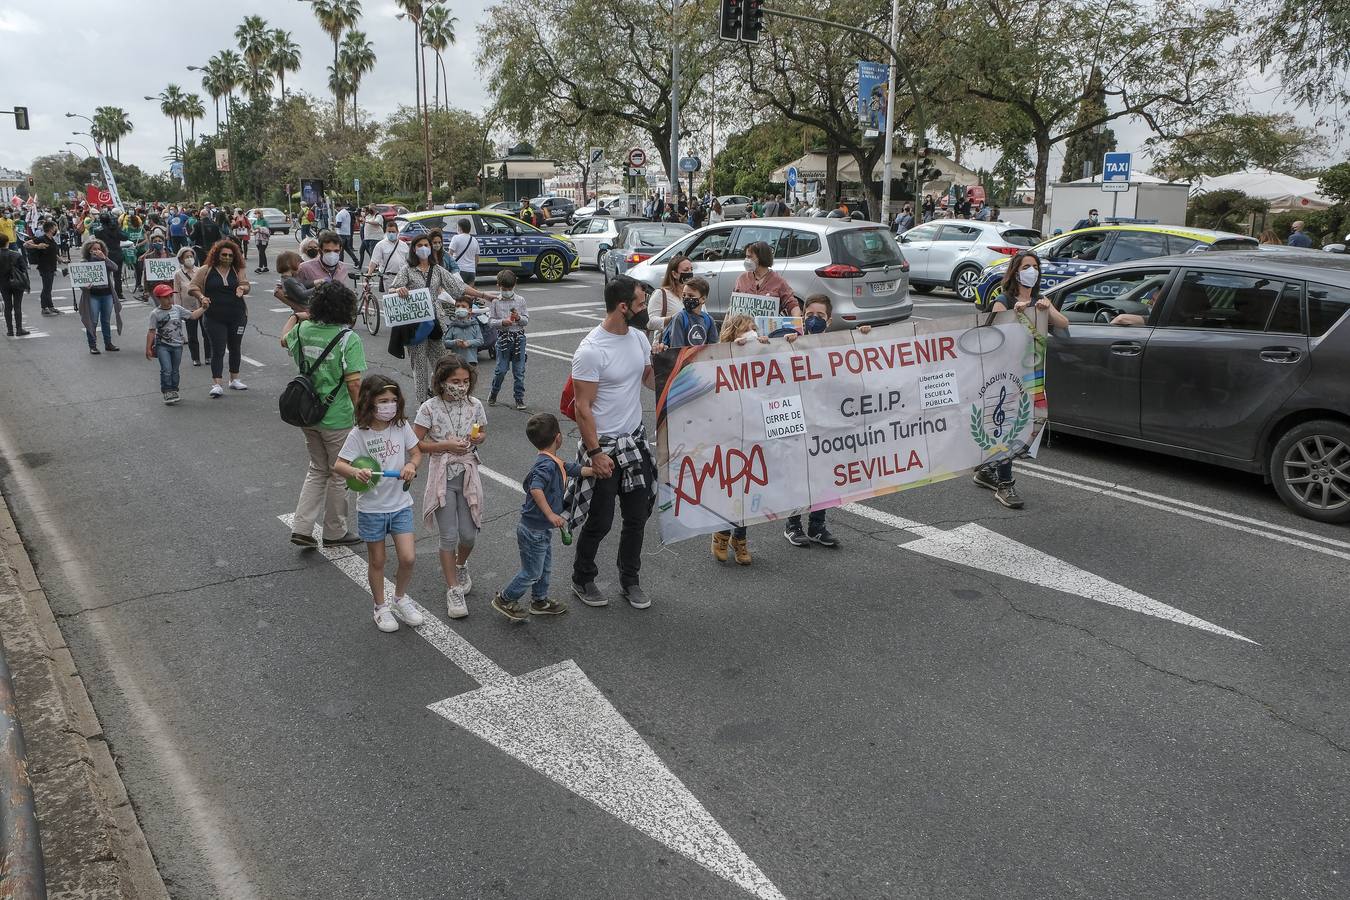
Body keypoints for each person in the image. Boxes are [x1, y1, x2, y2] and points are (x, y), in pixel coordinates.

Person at [565, 276, 657, 610]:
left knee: (637, 517)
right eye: (640, 303)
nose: (644, 308)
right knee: (601, 520)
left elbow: (648, 379)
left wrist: (672, 365)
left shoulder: (638, 337)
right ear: (623, 307)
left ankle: (629, 580)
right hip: (602, 447)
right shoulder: (591, 350)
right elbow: (582, 407)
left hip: (634, 443)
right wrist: (595, 454)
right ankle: (582, 577)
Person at [977, 251, 1070, 509]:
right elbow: (991, 336)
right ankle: (1005, 485)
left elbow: (1063, 323)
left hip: (1030, 375)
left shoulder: (1041, 299)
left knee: (1017, 426)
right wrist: (1015, 313)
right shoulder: (1003, 300)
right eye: (1027, 266)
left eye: (1035, 266)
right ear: (1015, 272)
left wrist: (1047, 309)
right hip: (1005, 377)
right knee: (1009, 427)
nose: (1032, 271)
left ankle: (985, 471)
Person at [333, 375, 425, 633]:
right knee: (378, 560)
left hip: (400, 505)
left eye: (393, 400)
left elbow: (417, 453)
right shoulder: (359, 433)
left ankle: (400, 598)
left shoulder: (401, 426)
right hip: (372, 508)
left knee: (408, 558)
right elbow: (339, 464)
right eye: (383, 401)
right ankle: (380, 606)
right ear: (369, 402)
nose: (390, 405)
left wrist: (410, 464)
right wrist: (354, 473)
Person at [282, 281, 367, 549]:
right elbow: (354, 383)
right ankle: (334, 531)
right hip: (337, 416)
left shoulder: (303, 329)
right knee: (339, 473)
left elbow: (283, 340)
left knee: (317, 469)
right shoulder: (347, 339)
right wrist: (363, 415)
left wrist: (295, 316)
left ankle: (302, 527)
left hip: (307, 412)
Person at [492, 413, 593, 622]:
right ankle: (505, 598)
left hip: (540, 529)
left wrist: (593, 470)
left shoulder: (551, 461)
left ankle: (540, 600)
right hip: (533, 530)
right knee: (532, 571)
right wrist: (551, 514)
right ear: (558, 437)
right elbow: (536, 489)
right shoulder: (546, 466)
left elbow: (569, 468)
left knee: (544, 567)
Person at [413, 354, 488, 618]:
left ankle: (461, 564)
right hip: (442, 478)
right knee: (448, 536)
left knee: (469, 535)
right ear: (442, 382)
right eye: (455, 381)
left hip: (467, 474)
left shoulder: (475, 405)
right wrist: (445, 445)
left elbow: (482, 433)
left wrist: (477, 438)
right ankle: (453, 590)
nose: (461, 386)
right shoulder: (429, 408)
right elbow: (416, 444)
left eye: (466, 381)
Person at [391, 232, 484, 402]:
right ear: (413, 249)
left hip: (435, 323)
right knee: (419, 367)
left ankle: (441, 397)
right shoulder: (407, 270)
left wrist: (484, 294)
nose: (424, 248)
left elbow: (459, 287)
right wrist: (398, 290)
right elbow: (392, 289)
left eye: (426, 245)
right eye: (420, 246)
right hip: (416, 324)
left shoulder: (438, 270)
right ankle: (422, 403)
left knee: (442, 364)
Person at [189, 239, 251, 398]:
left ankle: (234, 379)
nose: (227, 258)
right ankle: (217, 383)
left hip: (237, 315)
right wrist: (202, 297)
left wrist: (242, 288)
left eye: (230, 255)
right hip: (214, 317)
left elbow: (246, 285)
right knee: (218, 349)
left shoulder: (238, 269)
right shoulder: (206, 270)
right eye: (224, 254)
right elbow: (192, 287)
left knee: (235, 346)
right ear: (217, 254)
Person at [144, 283, 206, 405]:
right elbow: (151, 331)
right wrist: (148, 348)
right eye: (165, 297)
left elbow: (192, 316)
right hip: (163, 345)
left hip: (177, 345)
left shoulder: (177, 309)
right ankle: (167, 391)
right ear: (159, 298)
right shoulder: (155, 313)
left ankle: (174, 389)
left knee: (175, 370)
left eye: (170, 296)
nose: (169, 299)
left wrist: (204, 308)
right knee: (166, 369)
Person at [487, 268, 529, 408]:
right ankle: (494, 392)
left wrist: (519, 318)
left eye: (509, 288)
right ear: (498, 286)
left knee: (519, 371)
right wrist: (501, 322)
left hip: (519, 338)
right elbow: (490, 321)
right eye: (504, 288)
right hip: (503, 338)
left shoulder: (520, 300)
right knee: (501, 370)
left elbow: (526, 320)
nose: (507, 291)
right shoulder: (495, 302)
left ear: (514, 286)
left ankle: (519, 397)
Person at [733, 240, 800, 316]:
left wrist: (796, 323)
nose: (746, 260)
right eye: (746, 256)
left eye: (749, 257)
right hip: (745, 327)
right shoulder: (742, 279)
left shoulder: (779, 282)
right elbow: (732, 307)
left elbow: (792, 305)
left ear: (761, 257)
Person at [652, 275, 717, 351]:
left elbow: (713, 348)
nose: (686, 298)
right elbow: (677, 349)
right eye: (684, 295)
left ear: (703, 299)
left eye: (690, 295)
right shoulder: (680, 318)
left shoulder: (708, 320)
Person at [78, 240, 121, 353]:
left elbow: (115, 268)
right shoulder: (85, 262)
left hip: (107, 294)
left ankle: (108, 343)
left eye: (99, 249)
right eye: (94, 249)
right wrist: (84, 287)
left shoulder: (104, 261)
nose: (96, 251)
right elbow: (80, 281)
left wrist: (105, 259)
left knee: (106, 320)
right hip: (93, 296)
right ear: (89, 251)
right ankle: (92, 345)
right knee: (93, 321)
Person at [173, 246, 210, 367]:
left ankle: (208, 356)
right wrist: (178, 309)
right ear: (181, 259)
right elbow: (177, 292)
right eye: (186, 257)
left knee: (206, 333)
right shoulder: (178, 274)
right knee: (192, 335)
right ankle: (195, 358)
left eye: (191, 256)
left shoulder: (200, 271)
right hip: (188, 309)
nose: (189, 259)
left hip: (202, 307)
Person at [647, 254, 692, 338]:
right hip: (668, 345)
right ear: (674, 274)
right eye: (686, 270)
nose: (690, 273)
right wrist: (674, 319)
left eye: (691, 269)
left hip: (691, 344)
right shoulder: (661, 294)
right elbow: (650, 323)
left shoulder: (695, 294)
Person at [23, 221, 62, 316]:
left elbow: (52, 251)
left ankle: (50, 306)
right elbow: (26, 244)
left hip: (52, 266)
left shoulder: (51, 239)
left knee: (49, 288)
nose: (56, 229)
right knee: (46, 288)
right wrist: (37, 246)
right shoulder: (41, 238)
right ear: (51, 228)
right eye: (55, 227)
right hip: (45, 266)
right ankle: (44, 307)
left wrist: (60, 258)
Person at [367, 217, 409, 289]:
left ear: (397, 232)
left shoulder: (404, 245)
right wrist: (369, 274)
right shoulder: (381, 245)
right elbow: (374, 261)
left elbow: (409, 261)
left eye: (393, 232)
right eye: (389, 232)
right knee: (391, 297)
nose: (391, 234)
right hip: (389, 277)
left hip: (402, 277)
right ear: (386, 232)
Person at [0, 234, 29, 337]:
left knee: (7, 306)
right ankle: (19, 329)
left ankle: (10, 330)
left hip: (3, 283)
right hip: (17, 282)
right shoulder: (16, 254)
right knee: (17, 305)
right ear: (8, 242)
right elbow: (24, 270)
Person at [443, 295, 484, 365]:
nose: (460, 308)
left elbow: (480, 341)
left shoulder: (474, 325)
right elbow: (445, 342)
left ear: (470, 310)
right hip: (456, 361)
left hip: (471, 361)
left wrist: (468, 343)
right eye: (458, 306)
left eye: (463, 306)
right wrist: (455, 342)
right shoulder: (453, 326)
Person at [274, 250, 315, 318]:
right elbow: (302, 294)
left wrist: (314, 283)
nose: (300, 267)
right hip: (304, 310)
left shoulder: (289, 279)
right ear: (289, 264)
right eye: (298, 264)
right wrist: (317, 288)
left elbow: (301, 285)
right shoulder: (289, 281)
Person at [447, 218, 479, 284]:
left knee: (458, 292)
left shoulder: (456, 238)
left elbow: (450, 255)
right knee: (469, 293)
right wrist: (473, 269)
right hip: (471, 272)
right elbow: (477, 259)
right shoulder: (474, 240)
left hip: (459, 270)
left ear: (460, 227)